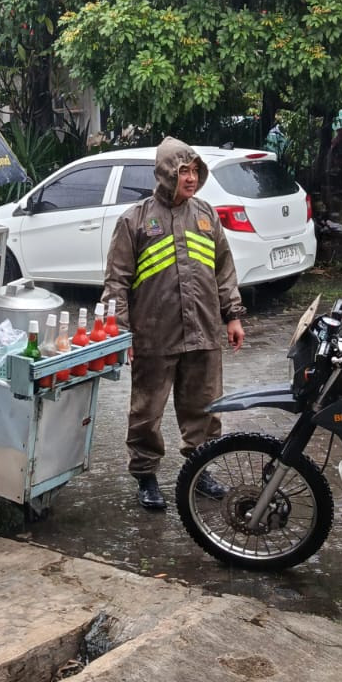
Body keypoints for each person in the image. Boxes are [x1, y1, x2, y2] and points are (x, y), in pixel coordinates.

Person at [102, 136, 245, 511]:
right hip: (154, 336)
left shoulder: (206, 215)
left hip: (204, 331)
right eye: (184, 171)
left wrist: (232, 316)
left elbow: (224, 269)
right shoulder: (134, 220)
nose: (191, 178)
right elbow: (116, 281)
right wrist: (121, 332)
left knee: (205, 409)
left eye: (195, 170)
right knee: (146, 412)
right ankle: (146, 477)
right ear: (166, 174)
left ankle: (201, 470)